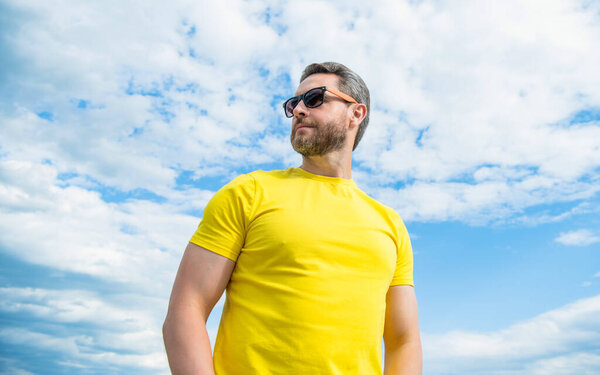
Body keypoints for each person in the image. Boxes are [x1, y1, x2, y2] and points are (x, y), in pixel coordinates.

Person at [163, 62, 422, 375]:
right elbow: (186, 309)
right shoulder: (249, 193)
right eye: (293, 103)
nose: (299, 109)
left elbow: (403, 340)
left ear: (356, 113)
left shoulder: (390, 224)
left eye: (314, 98)